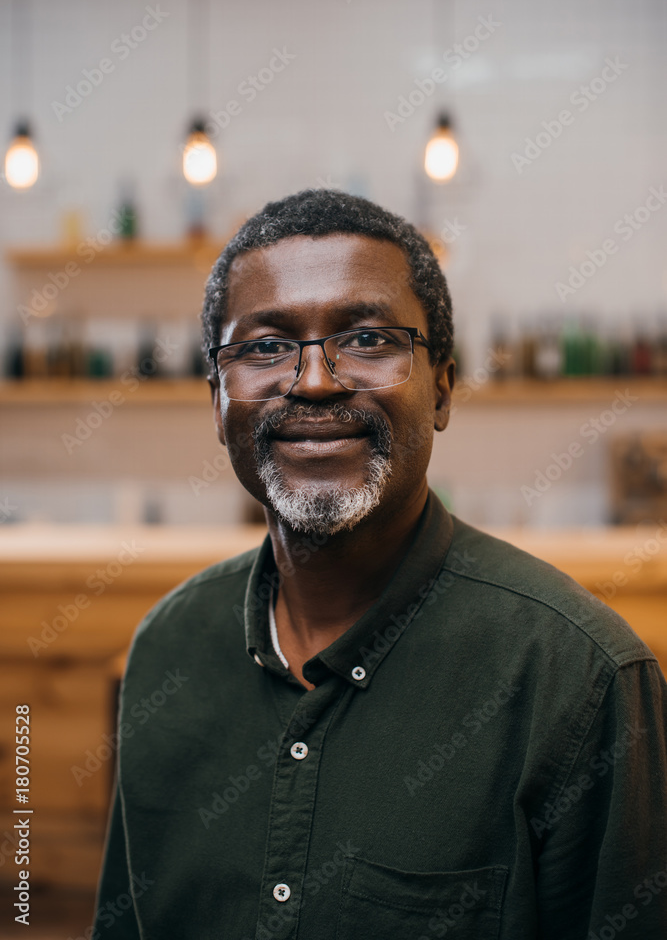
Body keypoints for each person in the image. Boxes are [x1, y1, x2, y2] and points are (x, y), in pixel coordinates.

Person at [93, 188, 667, 940]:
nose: (315, 381)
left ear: (442, 389)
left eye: (366, 339)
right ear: (216, 401)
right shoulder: (167, 646)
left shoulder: (579, 680)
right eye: (265, 346)